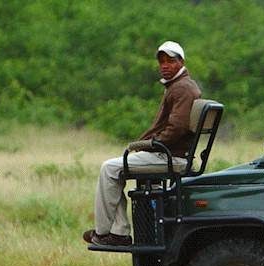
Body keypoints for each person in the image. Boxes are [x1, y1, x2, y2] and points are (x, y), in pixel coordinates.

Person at [84, 41, 202, 246]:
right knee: (116, 168)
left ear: (181, 62)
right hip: (171, 154)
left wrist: (150, 144)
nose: (165, 65)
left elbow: (177, 129)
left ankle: (105, 233)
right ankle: (118, 232)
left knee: (109, 168)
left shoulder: (182, 88)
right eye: (161, 61)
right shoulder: (179, 86)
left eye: (170, 61)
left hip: (172, 157)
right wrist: (146, 143)